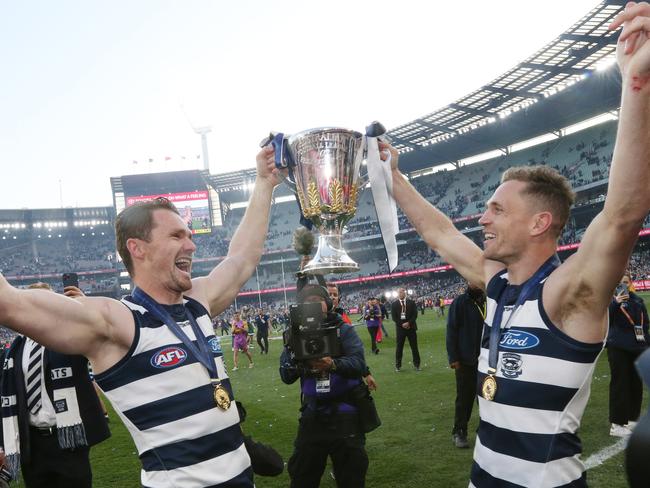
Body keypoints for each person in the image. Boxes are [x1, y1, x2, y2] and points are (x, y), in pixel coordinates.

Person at [379, 7, 650, 484]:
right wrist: (394, 178)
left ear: (540, 223)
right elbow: (440, 234)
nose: (482, 219)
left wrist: (635, 85)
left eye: (498, 210)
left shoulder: (567, 295)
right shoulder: (498, 282)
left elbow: (623, 214)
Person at [0, 145, 280, 487]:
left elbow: (243, 257)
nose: (191, 246)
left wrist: (264, 183)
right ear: (138, 248)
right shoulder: (118, 321)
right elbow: (9, 304)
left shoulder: (197, 302)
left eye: (190, 236)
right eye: (177, 235)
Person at [0, 283, 110, 488]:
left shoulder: (71, 338)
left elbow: (101, 338)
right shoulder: (13, 350)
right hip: (32, 443)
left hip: (67, 439)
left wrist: (85, 308)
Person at [280, 284, 369, 488]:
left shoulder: (343, 330)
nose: (312, 305)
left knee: (352, 478)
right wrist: (296, 362)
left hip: (345, 414)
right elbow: (285, 375)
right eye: (307, 302)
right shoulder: (294, 334)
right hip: (313, 415)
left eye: (317, 300)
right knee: (302, 477)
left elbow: (359, 364)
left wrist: (333, 364)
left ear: (327, 304)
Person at [606, 272, 649, 437]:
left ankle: (632, 419)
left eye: (625, 282)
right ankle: (616, 424)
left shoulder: (638, 300)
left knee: (636, 384)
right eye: (619, 283)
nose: (623, 285)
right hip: (618, 348)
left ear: (630, 283)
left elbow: (645, 325)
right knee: (620, 385)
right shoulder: (610, 300)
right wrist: (615, 304)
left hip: (637, 347)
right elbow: (604, 318)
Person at [446, 283, 486, 448]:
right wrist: (454, 357)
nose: (476, 282)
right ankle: (459, 431)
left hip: (487, 360)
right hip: (465, 360)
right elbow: (451, 330)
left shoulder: (489, 301)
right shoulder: (460, 302)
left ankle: (485, 431)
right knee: (464, 398)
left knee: (486, 398)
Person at [327, 282, 378, 391]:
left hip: (345, 373)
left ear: (339, 299)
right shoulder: (314, 320)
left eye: (335, 295)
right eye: (329, 294)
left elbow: (354, 351)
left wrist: (366, 374)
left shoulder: (344, 319)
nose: (332, 298)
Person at [391, 288, 421, 372]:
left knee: (414, 347)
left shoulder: (411, 303)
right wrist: (402, 324)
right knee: (399, 347)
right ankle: (398, 365)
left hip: (411, 327)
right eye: (399, 292)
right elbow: (394, 317)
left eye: (402, 292)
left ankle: (417, 364)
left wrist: (409, 323)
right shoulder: (394, 304)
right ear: (397, 294)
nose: (401, 293)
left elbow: (415, 315)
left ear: (405, 293)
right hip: (400, 329)